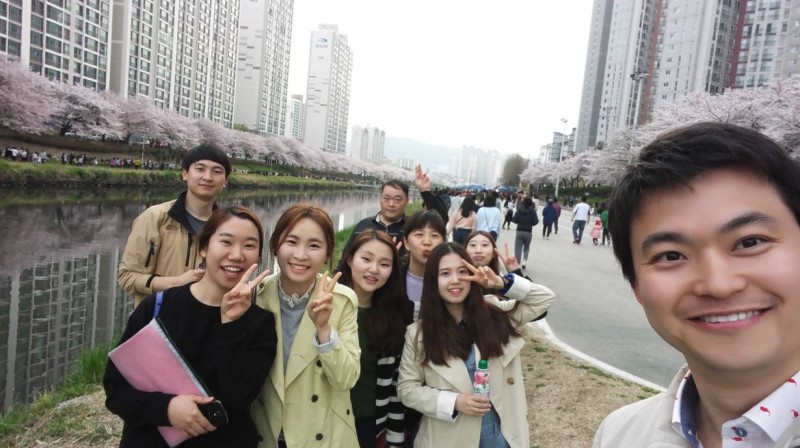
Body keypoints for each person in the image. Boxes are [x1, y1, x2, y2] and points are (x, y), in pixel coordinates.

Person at [593, 122, 800, 447]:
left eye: (750, 242)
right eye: (671, 255)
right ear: (637, 287)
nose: (718, 285)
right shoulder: (619, 434)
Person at [104, 205, 278, 447]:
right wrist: (166, 409)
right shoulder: (158, 307)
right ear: (204, 247)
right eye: (226, 242)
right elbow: (115, 390)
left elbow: (239, 397)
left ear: (258, 257)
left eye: (249, 246)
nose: (237, 255)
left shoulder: (260, 323)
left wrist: (229, 325)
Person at [397, 243, 555, 448]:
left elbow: (544, 299)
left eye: (463, 272)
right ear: (432, 281)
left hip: (502, 438)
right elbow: (407, 389)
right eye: (445, 273)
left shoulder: (495, 313)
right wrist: (454, 402)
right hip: (448, 439)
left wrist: (501, 282)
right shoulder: (419, 333)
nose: (455, 280)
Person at [250, 205, 360, 447]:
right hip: (266, 432)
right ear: (275, 246)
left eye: (314, 245)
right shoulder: (255, 296)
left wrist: (324, 330)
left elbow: (346, 379)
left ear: (328, 253)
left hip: (323, 435)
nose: (300, 255)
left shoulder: (342, 300)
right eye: (292, 242)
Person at [118, 144, 231, 306]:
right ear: (185, 173)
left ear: (225, 180)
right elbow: (127, 277)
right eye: (200, 169)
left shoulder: (228, 226)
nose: (208, 177)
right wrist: (176, 283)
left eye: (217, 171)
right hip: (160, 317)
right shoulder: (155, 218)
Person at [339, 230, 414, 447]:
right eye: (366, 259)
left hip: (367, 423)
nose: (374, 269)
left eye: (384, 264)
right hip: (323, 417)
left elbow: (395, 384)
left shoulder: (395, 317)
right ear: (350, 259)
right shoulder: (326, 305)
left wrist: (394, 439)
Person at [340, 164, 449, 261]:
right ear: (380, 199)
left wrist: (425, 192)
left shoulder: (412, 227)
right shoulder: (363, 225)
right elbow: (346, 258)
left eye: (397, 200)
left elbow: (439, 220)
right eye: (386, 198)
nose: (391, 204)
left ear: (407, 201)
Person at [402, 210, 447, 321]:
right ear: (406, 243)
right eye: (419, 234)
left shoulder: (450, 283)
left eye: (434, 236)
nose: (427, 242)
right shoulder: (391, 280)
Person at [511, 197, 539, 269]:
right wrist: (530, 223)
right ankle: (524, 261)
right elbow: (535, 221)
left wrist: (519, 221)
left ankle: (517, 263)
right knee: (526, 247)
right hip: (528, 232)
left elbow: (514, 220)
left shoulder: (519, 210)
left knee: (518, 248)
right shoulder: (532, 211)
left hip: (519, 231)